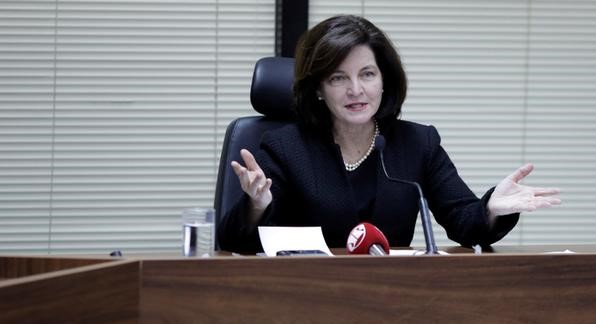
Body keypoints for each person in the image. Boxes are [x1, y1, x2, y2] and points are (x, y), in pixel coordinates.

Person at [218, 15, 560, 254]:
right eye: (338, 78)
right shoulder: (284, 147)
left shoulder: (417, 144)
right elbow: (238, 243)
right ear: (319, 89)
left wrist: (492, 210)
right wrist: (257, 206)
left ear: (384, 80)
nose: (356, 90)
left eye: (367, 74)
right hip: (307, 303)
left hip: (395, 303)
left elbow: (464, 223)